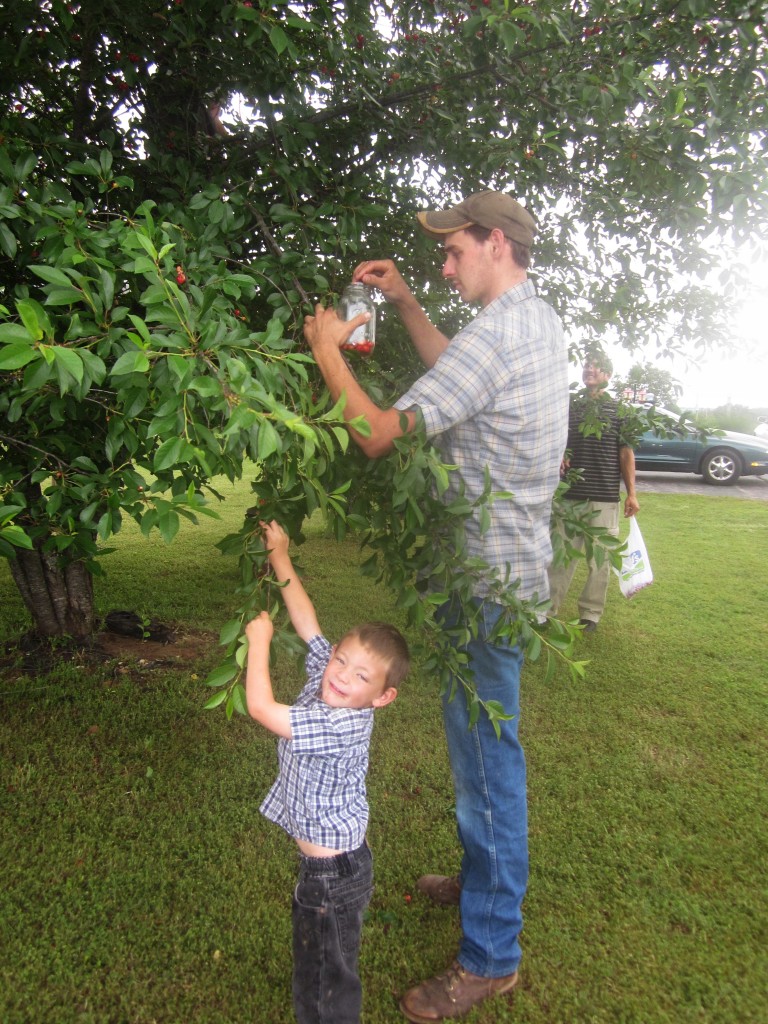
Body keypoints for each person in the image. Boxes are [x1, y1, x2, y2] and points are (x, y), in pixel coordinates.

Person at [302, 190, 569, 1022]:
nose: (445, 264)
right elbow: (461, 372)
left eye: (453, 251)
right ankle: (481, 880)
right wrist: (410, 305)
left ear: (495, 242)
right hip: (499, 580)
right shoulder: (534, 320)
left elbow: (379, 432)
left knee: (489, 765)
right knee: (482, 755)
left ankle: (491, 956)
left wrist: (326, 353)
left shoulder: (501, 335)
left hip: (484, 589)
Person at [244, 519, 410, 1024]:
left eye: (361, 676)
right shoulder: (328, 676)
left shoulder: (340, 721)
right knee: (324, 957)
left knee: (324, 985)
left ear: (382, 698)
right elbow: (307, 621)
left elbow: (262, 710)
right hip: (330, 867)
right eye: (341, 659)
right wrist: (280, 556)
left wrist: (258, 641)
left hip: (332, 875)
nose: (340, 676)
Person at [547, 356, 640, 633]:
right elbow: (555, 437)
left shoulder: (621, 410)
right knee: (560, 555)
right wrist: (559, 452)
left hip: (605, 497)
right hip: (568, 495)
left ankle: (590, 614)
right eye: (586, 365)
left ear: (608, 375)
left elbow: (626, 453)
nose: (589, 369)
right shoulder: (570, 406)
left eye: (596, 366)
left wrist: (632, 494)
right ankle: (546, 610)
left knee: (599, 559)